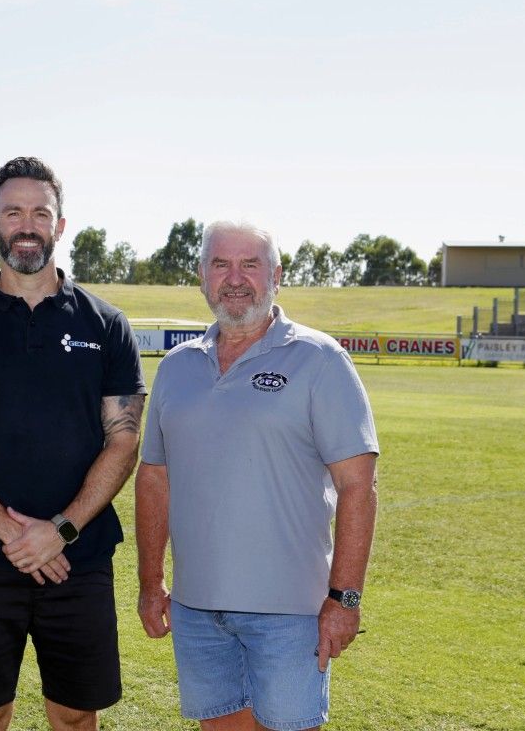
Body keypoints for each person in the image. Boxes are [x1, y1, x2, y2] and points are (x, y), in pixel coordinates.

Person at [0, 156, 147, 731]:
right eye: (12, 211)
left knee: (74, 716)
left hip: (81, 556)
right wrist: (14, 534)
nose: (27, 224)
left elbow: (123, 441)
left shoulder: (106, 325)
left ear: (60, 224)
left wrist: (60, 530)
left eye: (39, 212)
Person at [135, 219, 379, 731]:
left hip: (291, 615)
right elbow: (154, 477)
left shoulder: (320, 359)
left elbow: (359, 487)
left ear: (277, 275)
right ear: (203, 275)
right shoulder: (177, 366)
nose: (235, 278)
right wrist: (151, 581)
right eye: (221, 264)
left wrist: (345, 600)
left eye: (251, 264)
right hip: (197, 612)